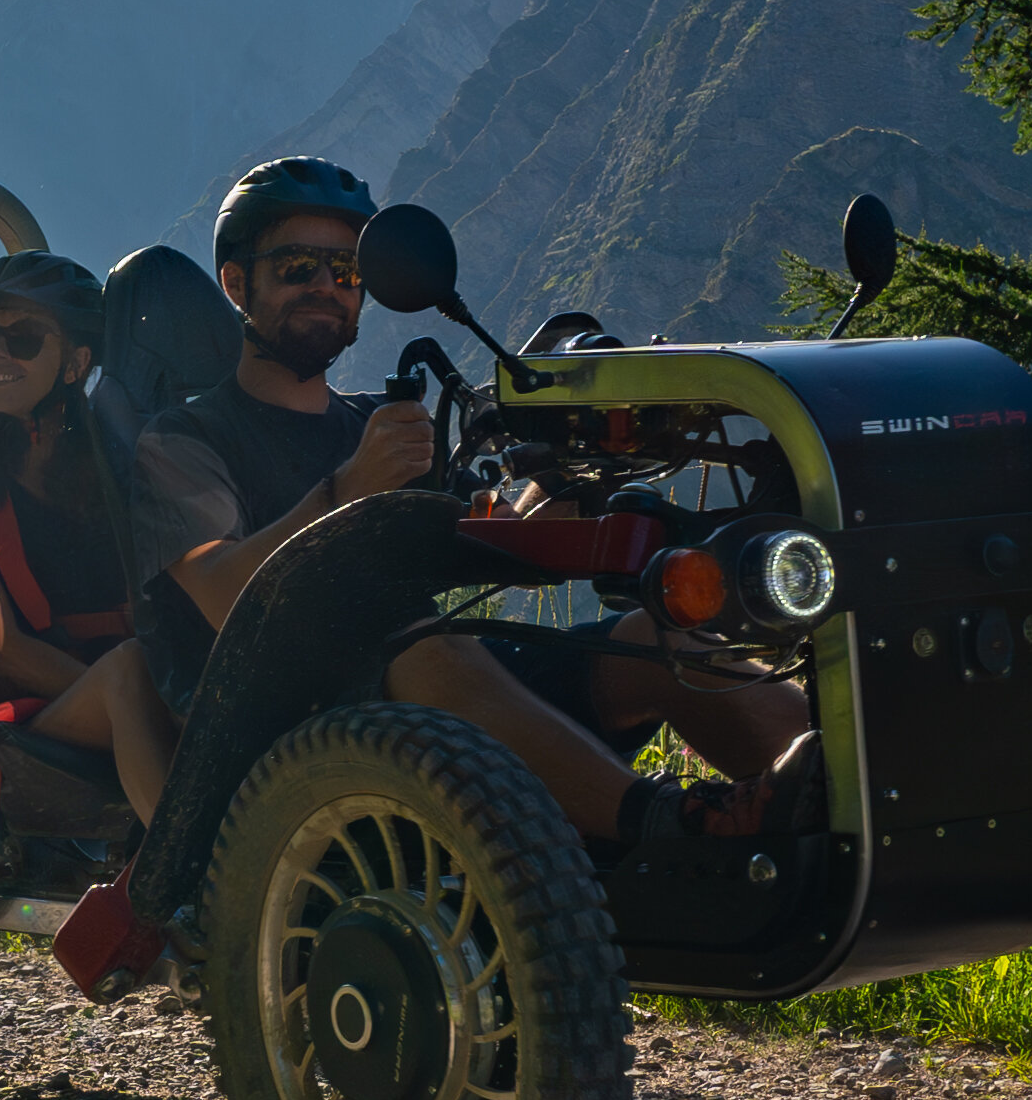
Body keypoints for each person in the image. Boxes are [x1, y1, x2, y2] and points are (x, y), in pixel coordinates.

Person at [128, 156, 808, 850]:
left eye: (348, 272)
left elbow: (492, 545)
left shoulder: (379, 423)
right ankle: (670, 828)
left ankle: (838, 793)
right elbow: (220, 598)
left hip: (432, 700)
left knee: (653, 638)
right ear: (237, 283)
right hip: (283, 729)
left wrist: (566, 479)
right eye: (298, 266)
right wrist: (350, 488)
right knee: (422, 643)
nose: (327, 288)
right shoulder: (183, 440)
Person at [0, 248, 177, 823]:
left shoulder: (119, 460)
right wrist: (148, 697)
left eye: (24, 337)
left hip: (144, 677)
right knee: (131, 674)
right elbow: (6, 649)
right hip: (41, 710)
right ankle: (191, 883)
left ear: (77, 363)